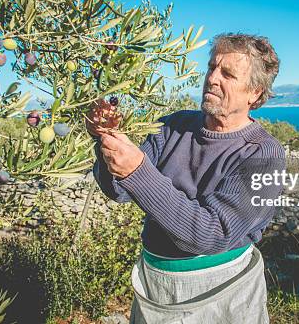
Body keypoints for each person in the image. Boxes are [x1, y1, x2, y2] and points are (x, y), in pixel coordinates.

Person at [86, 33, 286, 324]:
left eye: (227, 74)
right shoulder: (174, 125)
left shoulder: (263, 154)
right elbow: (120, 190)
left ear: (254, 93)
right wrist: (105, 139)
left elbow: (210, 234)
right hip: (156, 284)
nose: (212, 79)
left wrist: (137, 171)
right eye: (211, 67)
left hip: (223, 291)